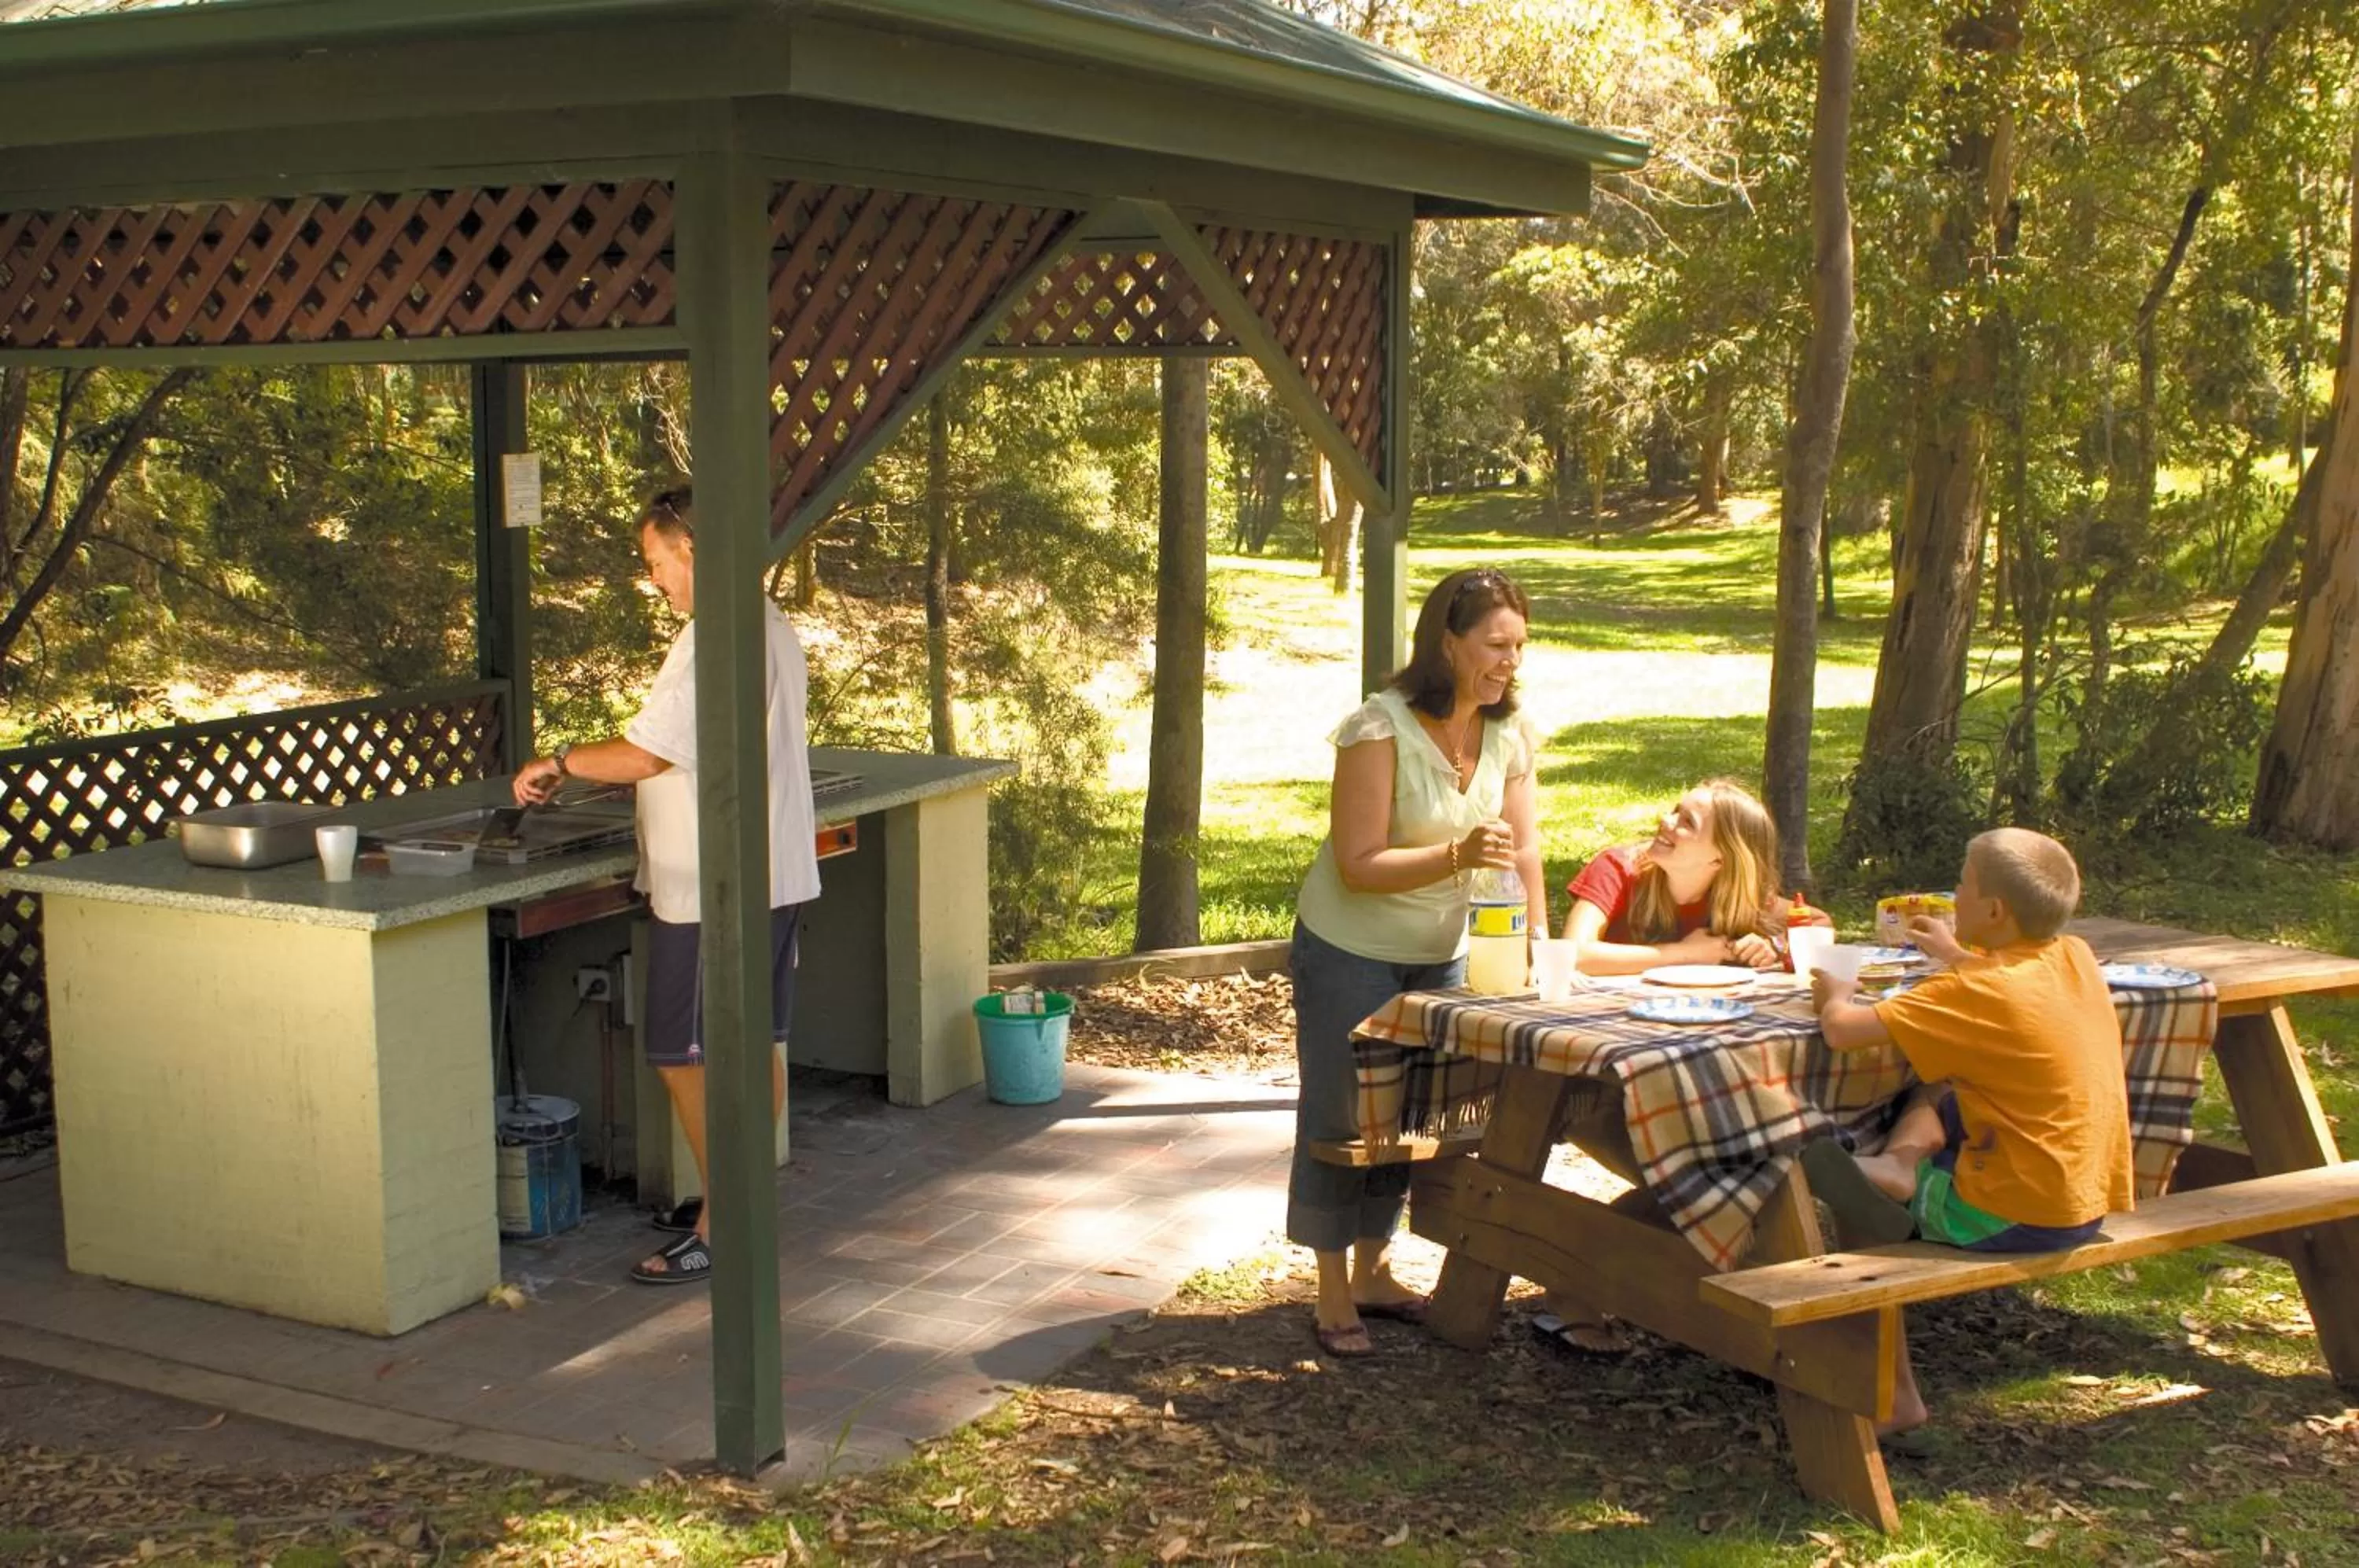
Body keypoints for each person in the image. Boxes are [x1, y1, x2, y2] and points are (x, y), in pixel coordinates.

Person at [511, 488, 822, 1286]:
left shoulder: (719, 634)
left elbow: (649, 752)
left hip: (716, 886)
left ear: (693, 549)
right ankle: (740, 1202)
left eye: (656, 562)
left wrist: (562, 760)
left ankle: (723, 1221)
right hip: (769, 869)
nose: (654, 579)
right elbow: (689, 746)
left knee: (682, 1053)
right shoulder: (762, 622)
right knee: (758, 1046)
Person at [1288, 567, 1548, 1358]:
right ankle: (1331, 1290)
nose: (1510, 661)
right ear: (1448, 641)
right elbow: (1360, 860)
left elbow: (1526, 846)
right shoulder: (1379, 728)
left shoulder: (1509, 732)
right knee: (1343, 1120)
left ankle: (1374, 1270)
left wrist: (1539, 936)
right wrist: (1456, 854)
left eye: (1519, 646)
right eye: (1495, 644)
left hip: (1443, 952)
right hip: (1350, 949)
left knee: (1409, 1118)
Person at [1805, 826, 2130, 1443]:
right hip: (2086, 1198)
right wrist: (1956, 951)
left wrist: (1836, 989)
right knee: (1940, 1087)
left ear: (1994, 910)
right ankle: (1901, 1165)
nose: (1953, 890)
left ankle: (1892, 1398)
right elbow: (2000, 985)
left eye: (1963, 882)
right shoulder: (2073, 956)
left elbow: (1844, 1031)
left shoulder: (1972, 990)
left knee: (1857, 1202)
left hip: (2014, 1214)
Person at [1559, 778, 1785, 974]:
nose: (1666, 820)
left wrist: (1774, 945)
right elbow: (1572, 954)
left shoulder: (1742, 896)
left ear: (1720, 860)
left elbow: (1817, 923)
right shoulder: (1617, 867)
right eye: (1676, 811)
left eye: (1688, 822)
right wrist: (1687, 953)